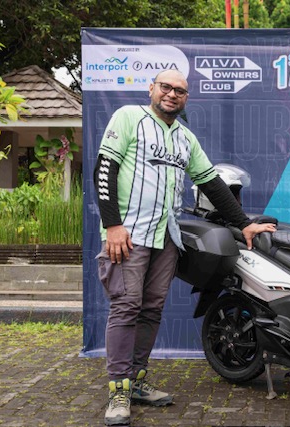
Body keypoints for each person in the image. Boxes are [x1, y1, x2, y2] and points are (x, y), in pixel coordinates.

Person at [94, 69, 276, 426]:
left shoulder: (185, 138)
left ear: (186, 98)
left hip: (165, 237)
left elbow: (211, 183)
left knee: (151, 309)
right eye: (166, 87)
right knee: (126, 308)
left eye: (180, 90)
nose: (172, 94)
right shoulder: (129, 117)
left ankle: (137, 381)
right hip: (128, 234)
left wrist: (244, 223)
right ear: (152, 88)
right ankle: (118, 390)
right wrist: (112, 225)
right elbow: (105, 171)